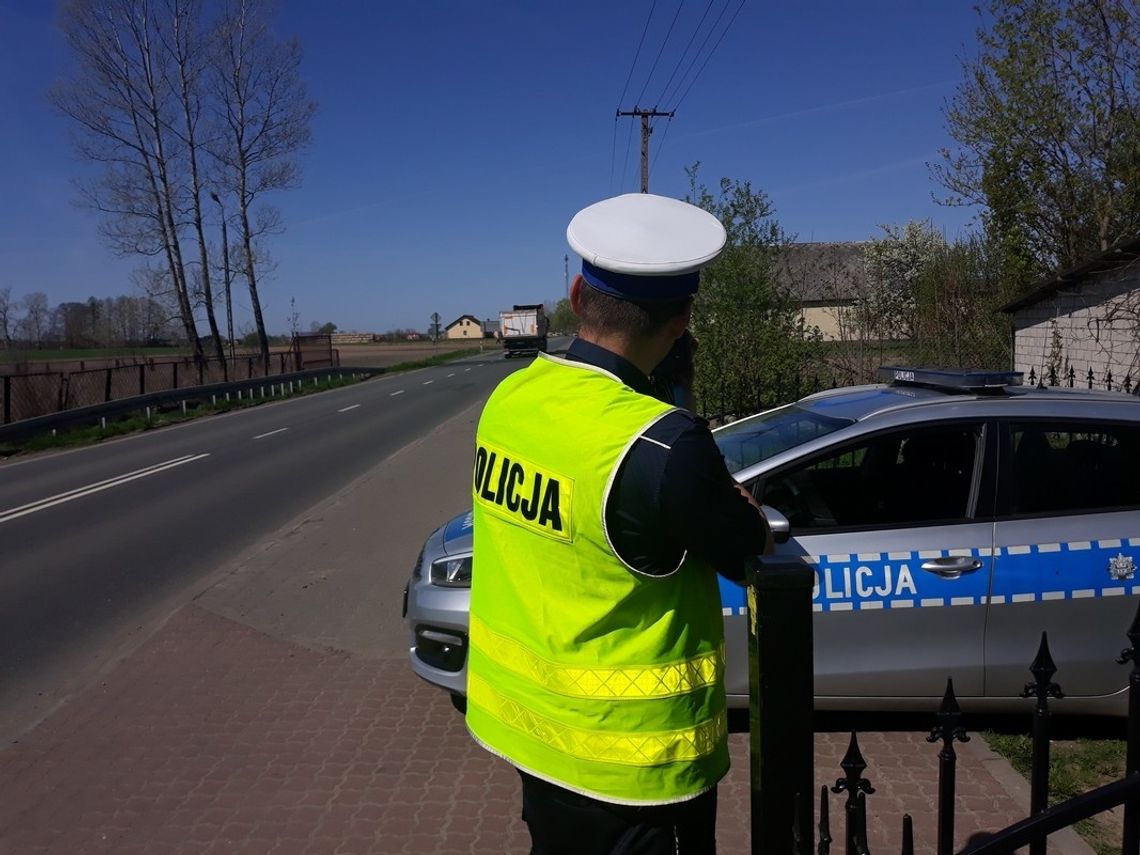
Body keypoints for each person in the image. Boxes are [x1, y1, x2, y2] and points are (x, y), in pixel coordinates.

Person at [466, 192, 770, 855]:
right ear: (684, 317)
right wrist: (683, 408)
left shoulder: (509, 399)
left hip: (533, 743)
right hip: (639, 779)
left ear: (577, 295)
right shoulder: (664, 443)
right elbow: (749, 546)